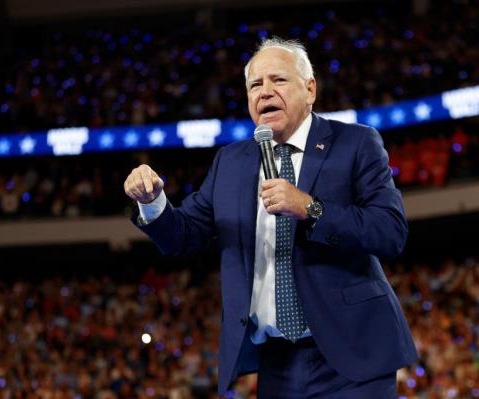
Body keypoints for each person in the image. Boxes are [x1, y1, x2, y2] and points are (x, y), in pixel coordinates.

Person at [124, 37, 418, 398]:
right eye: (255, 85)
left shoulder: (356, 143)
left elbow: (390, 232)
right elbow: (183, 237)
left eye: (278, 80)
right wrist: (153, 202)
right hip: (277, 365)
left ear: (309, 89)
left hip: (354, 354)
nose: (265, 92)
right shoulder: (230, 162)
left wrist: (310, 208)